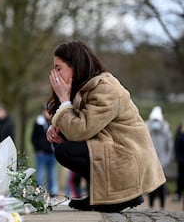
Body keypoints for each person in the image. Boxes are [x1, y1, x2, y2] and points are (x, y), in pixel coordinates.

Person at [46, 40, 166, 213]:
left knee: (65, 150)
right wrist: (58, 125)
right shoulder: (86, 88)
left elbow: (81, 130)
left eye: (58, 68)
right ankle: (99, 196)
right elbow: (80, 127)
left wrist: (64, 101)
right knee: (60, 142)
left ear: (75, 66)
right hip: (112, 150)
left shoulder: (105, 89)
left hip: (127, 157)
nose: (54, 74)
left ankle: (120, 196)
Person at [145, 106, 173, 210]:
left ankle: (162, 206)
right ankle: (151, 205)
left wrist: (165, 161)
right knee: (151, 185)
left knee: (162, 186)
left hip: (162, 163)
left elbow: (169, 147)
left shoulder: (165, 129)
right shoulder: (147, 127)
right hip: (151, 162)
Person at [31, 105, 58, 196]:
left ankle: (52, 192)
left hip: (52, 153)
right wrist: (38, 149)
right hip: (42, 153)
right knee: (40, 174)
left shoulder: (54, 123)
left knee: (52, 174)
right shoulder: (38, 123)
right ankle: (39, 191)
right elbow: (33, 138)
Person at [173, 121, 184, 203]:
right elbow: (177, 149)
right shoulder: (180, 135)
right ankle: (178, 194)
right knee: (180, 179)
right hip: (182, 162)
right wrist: (179, 159)